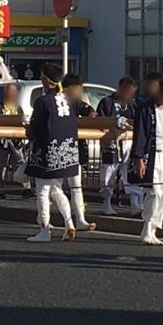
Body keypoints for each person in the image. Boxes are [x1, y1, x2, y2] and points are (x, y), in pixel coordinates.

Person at [24, 64, 77, 243]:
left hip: (47, 152)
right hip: (67, 152)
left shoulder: (43, 102)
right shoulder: (68, 101)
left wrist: (28, 130)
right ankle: (69, 222)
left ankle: (45, 230)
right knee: (56, 189)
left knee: (42, 191)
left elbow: (36, 128)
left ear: (46, 79)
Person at [131, 73, 163, 246]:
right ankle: (147, 226)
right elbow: (140, 134)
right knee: (153, 192)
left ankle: (154, 229)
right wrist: (138, 158)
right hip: (151, 154)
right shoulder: (145, 108)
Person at [96, 76, 138, 216]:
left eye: (131, 92)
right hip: (112, 141)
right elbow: (101, 122)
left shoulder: (132, 104)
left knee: (130, 171)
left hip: (129, 141)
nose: (129, 95)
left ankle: (135, 203)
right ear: (120, 88)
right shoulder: (107, 102)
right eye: (127, 91)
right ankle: (106, 203)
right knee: (109, 170)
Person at [63, 74, 97, 232]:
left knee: (76, 185)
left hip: (75, 149)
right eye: (78, 90)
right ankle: (44, 219)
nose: (80, 93)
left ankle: (80, 219)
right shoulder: (55, 101)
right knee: (51, 187)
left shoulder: (77, 103)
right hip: (58, 148)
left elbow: (91, 112)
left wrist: (91, 119)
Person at [0, 83, 28, 196]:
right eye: (9, 92)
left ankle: (26, 189)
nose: (12, 94)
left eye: (14, 92)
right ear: (5, 93)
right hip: (2, 142)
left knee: (20, 165)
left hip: (17, 142)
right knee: (0, 168)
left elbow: (22, 121)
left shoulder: (18, 107)